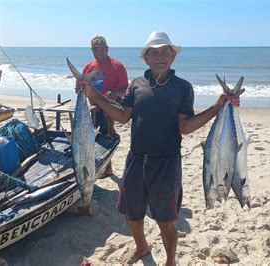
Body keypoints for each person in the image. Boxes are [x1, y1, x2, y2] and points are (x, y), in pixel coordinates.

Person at [75, 31, 240, 265]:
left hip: (166, 162)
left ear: (173, 57)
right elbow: (122, 116)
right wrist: (93, 94)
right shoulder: (136, 85)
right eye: (154, 53)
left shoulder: (183, 88)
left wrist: (216, 108)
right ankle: (142, 247)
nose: (160, 57)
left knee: (166, 220)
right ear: (146, 58)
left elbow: (185, 126)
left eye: (165, 52)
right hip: (135, 159)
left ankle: (170, 260)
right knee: (131, 214)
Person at [82, 35, 128, 178]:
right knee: (96, 139)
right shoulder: (88, 67)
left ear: (107, 49)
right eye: (95, 49)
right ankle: (105, 168)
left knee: (108, 136)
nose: (99, 51)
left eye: (101, 48)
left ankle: (107, 168)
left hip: (112, 109)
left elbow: (126, 89)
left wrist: (114, 93)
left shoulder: (117, 66)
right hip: (94, 109)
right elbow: (82, 88)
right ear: (92, 50)